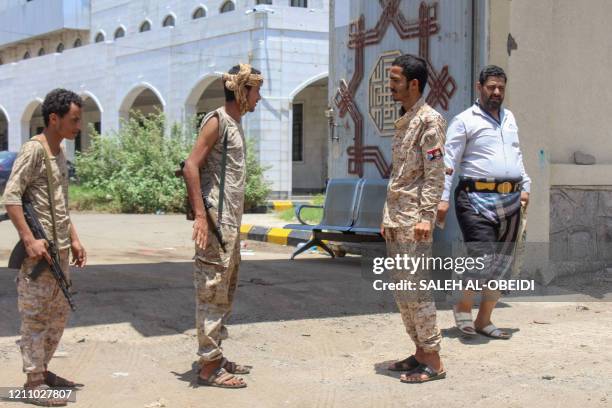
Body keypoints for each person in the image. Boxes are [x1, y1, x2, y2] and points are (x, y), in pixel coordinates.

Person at [2, 88, 87, 406]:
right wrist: (29, 239)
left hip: (60, 251)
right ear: (54, 119)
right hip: (38, 253)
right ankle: (33, 381)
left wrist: (75, 240)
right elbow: (11, 196)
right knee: (36, 316)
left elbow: (62, 206)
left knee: (59, 313)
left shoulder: (59, 153)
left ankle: (44, 370)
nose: (79, 126)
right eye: (74, 120)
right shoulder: (34, 150)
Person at [182, 63, 263, 389]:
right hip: (215, 225)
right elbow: (190, 166)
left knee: (224, 292)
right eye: (256, 90)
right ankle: (209, 367)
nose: (259, 97)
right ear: (242, 90)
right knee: (211, 292)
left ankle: (215, 354)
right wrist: (202, 216)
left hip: (230, 226)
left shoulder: (235, 122)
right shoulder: (217, 120)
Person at [437, 65, 530, 340]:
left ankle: (484, 320)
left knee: (502, 262)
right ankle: (462, 306)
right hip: (474, 198)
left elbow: (517, 155)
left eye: (501, 87)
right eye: (491, 87)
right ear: (480, 88)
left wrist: (526, 185)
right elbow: (448, 163)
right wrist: (442, 198)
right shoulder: (464, 120)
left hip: (511, 200)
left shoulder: (510, 118)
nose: (497, 92)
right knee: (483, 257)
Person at [381, 54, 447, 383]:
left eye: (394, 81)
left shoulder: (429, 121)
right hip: (397, 218)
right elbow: (400, 176)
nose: (390, 87)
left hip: (415, 221)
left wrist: (426, 216)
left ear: (413, 84)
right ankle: (420, 351)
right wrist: (387, 215)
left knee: (417, 290)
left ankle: (433, 360)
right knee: (402, 291)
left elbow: (434, 176)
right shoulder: (406, 119)